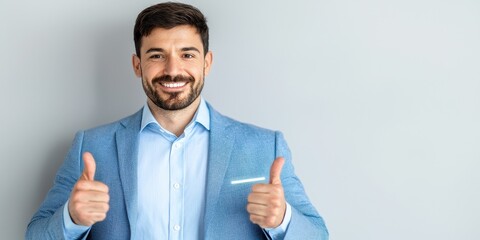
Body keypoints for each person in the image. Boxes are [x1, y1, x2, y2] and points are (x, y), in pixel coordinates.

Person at [25, 2, 328, 239]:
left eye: (187, 55)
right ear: (137, 65)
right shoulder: (91, 147)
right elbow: (35, 235)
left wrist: (282, 220)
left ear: (206, 63)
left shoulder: (265, 147)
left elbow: (318, 235)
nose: (173, 69)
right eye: (157, 55)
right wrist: (72, 219)